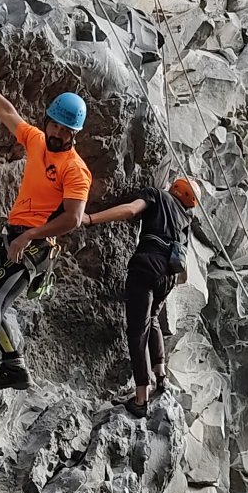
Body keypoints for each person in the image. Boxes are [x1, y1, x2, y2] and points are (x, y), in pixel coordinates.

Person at [0, 68, 92, 390]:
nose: (57, 133)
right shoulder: (37, 141)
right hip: (16, 236)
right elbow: (8, 113)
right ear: (47, 121)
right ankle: (14, 366)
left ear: (74, 135)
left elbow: (73, 218)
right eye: (54, 125)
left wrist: (29, 235)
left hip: (34, 246)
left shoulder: (75, 170)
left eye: (65, 130)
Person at [83, 177, 198, 417]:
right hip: (168, 276)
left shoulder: (157, 194)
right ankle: (161, 376)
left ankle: (141, 397)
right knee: (152, 319)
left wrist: (91, 218)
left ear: (176, 187)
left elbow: (131, 210)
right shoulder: (185, 220)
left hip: (146, 266)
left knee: (137, 330)